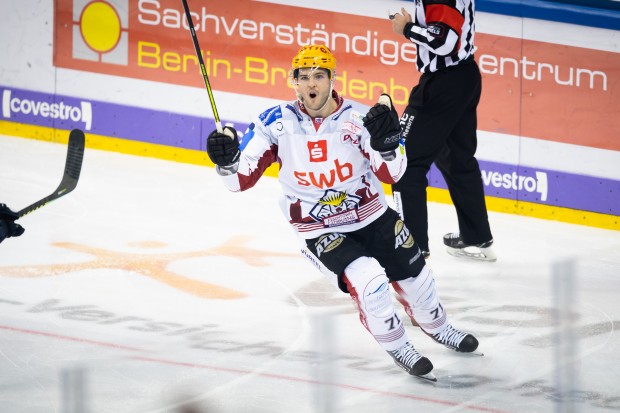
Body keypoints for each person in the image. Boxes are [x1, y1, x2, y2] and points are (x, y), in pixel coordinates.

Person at [204, 44, 479, 381]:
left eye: (319, 75)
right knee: (371, 283)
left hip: (373, 215)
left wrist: (389, 145)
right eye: (303, 77)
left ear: (332, 79)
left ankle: (440, 327)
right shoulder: (273, 123)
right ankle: (400, 347)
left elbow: (392, 175)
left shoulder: (361, 119)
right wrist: (227, 160)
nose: (311, 84)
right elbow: (238, 182)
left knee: (419, 279)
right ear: (293, 82)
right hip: (318, 227)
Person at [389, 2, 496, 261]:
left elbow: (446, 41)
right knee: (457, 160)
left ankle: (411, 249)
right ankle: (477, 236)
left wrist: (407, 28)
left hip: (443, 85)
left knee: (403, 162)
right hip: (464, 77)